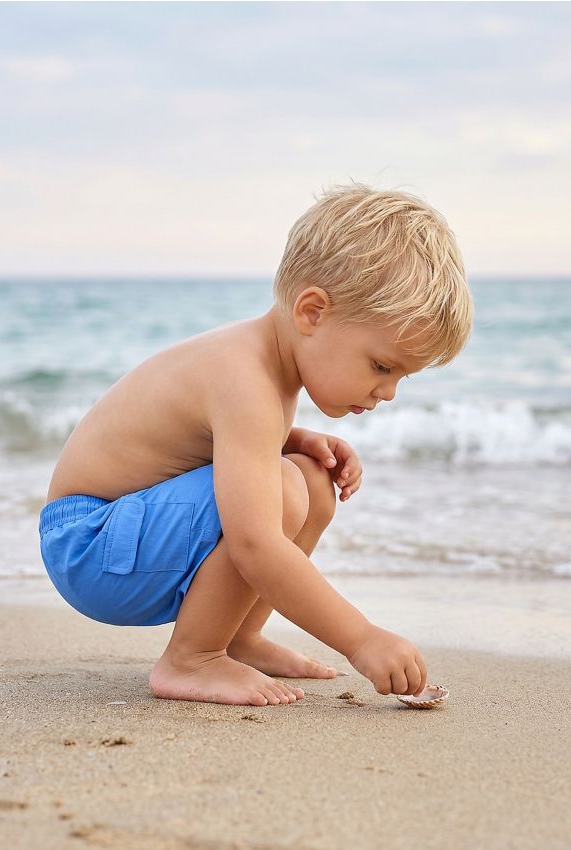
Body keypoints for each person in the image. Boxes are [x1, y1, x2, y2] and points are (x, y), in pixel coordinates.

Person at [39, 182, 473, 707]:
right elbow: (253, 544)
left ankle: (236, 638)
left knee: (311, 478)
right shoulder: (244, 379)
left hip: (120, 535)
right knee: (284, 489)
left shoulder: (262, 370)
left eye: (403, 377)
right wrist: (362, 639)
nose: (388, 392)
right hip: (89, 544)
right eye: (382, 366)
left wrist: (293, 438)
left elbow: (191, 439)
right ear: (312, 312)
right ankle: (191, 659)